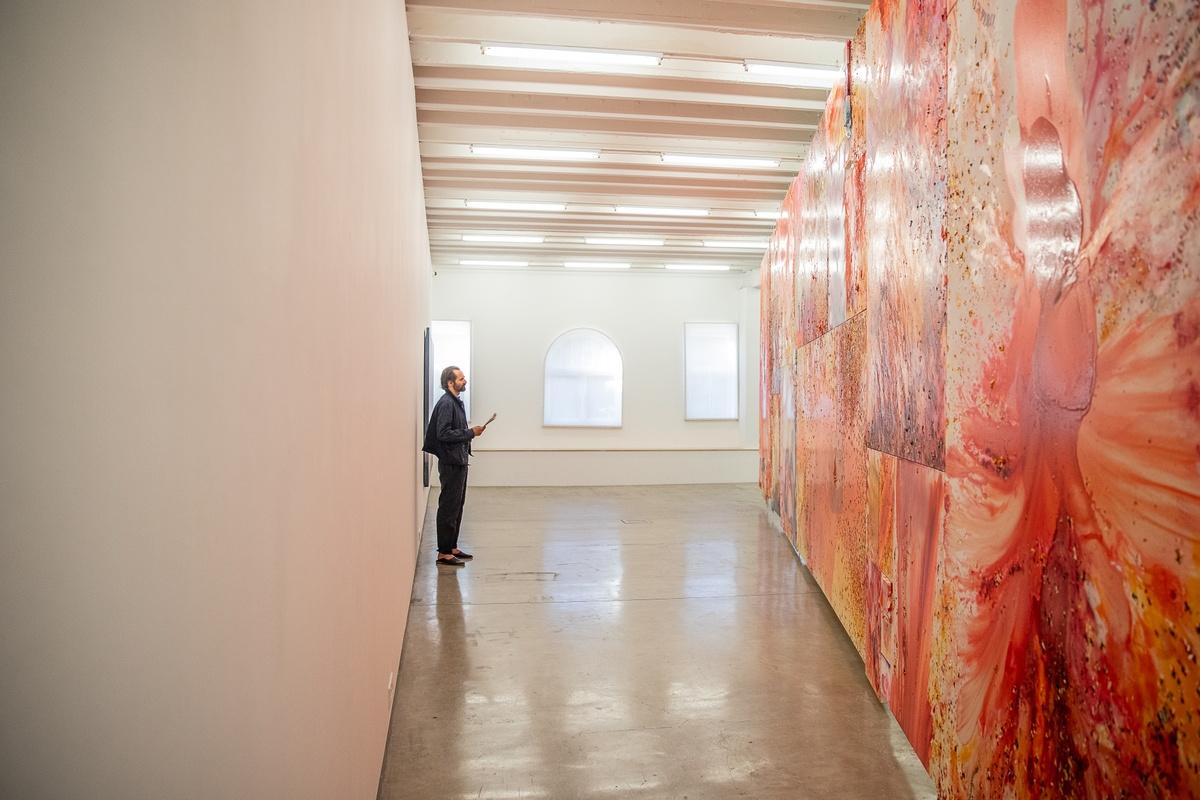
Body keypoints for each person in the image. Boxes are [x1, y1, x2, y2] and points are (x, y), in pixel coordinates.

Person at [422, 366, 485, 566]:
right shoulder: (447, 403)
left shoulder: (456, 402)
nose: (464, 381)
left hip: (459, 460)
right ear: (450, 383)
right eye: (461, 378)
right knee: (449, 507)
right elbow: (443, 434)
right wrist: (470, 433)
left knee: (457, 506)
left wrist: (469, 434)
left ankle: (451, 547)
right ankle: (444, 553)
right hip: (450, 463)